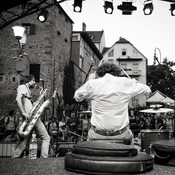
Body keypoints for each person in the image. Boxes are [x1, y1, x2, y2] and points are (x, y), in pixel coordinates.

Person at [74, 62, 151, 144]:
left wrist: (90, 80)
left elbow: (77, 97)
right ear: (117, 73)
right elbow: (147, 90)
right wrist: (134, 82)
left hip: (97, 135)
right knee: (133, 140)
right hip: (121, 135)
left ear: (100, 73)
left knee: (89, 136)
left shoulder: (93, 84)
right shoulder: (125, 82)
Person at [12, 74, 50, 158]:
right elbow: (18, 99)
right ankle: (44, 158)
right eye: (33, 80)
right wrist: (23, 112)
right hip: (32, 117)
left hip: (30, 117)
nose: (34, 83)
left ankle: (15, 156)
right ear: (29, 81)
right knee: (46, 137)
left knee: (26, 141)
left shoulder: (27, 90)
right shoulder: (22, 87)